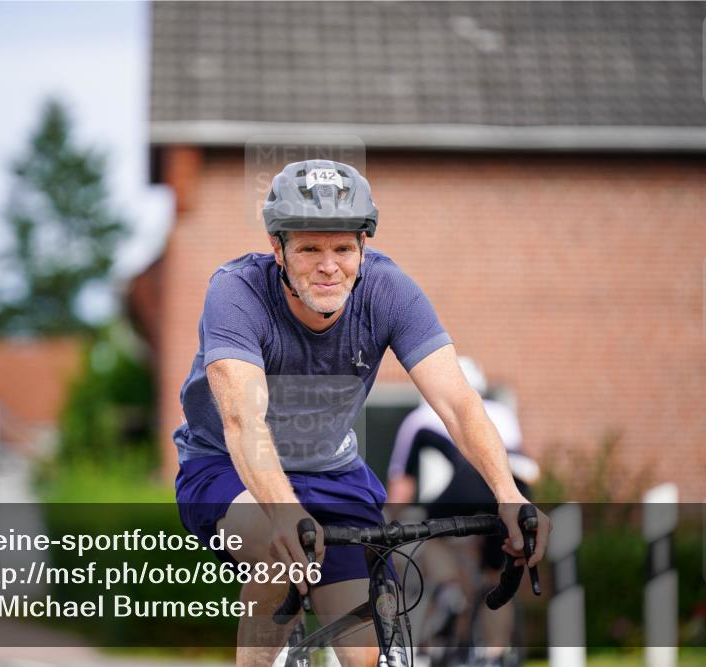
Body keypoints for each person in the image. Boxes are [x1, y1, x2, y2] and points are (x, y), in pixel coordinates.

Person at [172, 159, 550, 667]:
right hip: (225, 467)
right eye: (310, 248)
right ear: (278, 248)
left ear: (363, 248)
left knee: (368, 654)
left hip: (332, 474)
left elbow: (459, 405)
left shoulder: (388, 291)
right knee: (273, 551)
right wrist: (284, 513)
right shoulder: (236, 293)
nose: (329, 265)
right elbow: (243, 420)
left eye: (343, 248)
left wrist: (508, 495)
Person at [387, 357, 541, 666]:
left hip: (469, 483)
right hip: (517, 489)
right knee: (498, 576)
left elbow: (402, 485)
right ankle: (495, 656)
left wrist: (387, 521)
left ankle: (449, 590)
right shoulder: (502, 412)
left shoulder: (420, 417)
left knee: (430, 533)